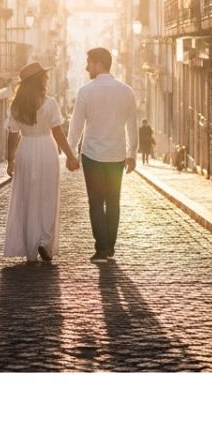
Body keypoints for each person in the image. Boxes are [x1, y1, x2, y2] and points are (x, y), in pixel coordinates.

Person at [2, 61, 79, 263]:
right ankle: (44, 241)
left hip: (25, 149)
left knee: (27, 196)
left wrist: (10, 160)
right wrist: (70, 155)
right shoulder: (50, 103)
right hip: (47, 149)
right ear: (39, 81)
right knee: (47, 195)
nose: (47, 78)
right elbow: (58, 132)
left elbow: (12, 134)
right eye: (44, 75)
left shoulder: (16, 105)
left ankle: (29, 244)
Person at [66, 47, 138, 262]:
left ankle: (101, 248)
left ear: (99, 63)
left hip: (92, 155)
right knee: (113, 201)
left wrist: (71, 153)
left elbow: (76, 126)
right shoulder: (127, 91)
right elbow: (132, 125)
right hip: (116, 155)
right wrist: (132, 153)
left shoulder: (86, 92)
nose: (86, 67)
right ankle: (110, 247)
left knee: (96, 202)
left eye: (88, 62)